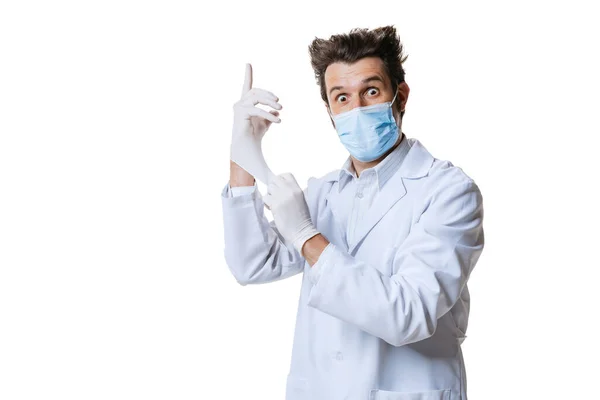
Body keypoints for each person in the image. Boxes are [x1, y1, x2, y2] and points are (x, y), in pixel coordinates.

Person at [221, 25, 484, 400]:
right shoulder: (323, 193)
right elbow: (251, 263)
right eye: (341, 98)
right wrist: (242, 153)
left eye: (371, 91)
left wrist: (307, 237)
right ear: (329, 110)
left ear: (401, 96)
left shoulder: (448, 192)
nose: (356, 108)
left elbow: (409, 313)